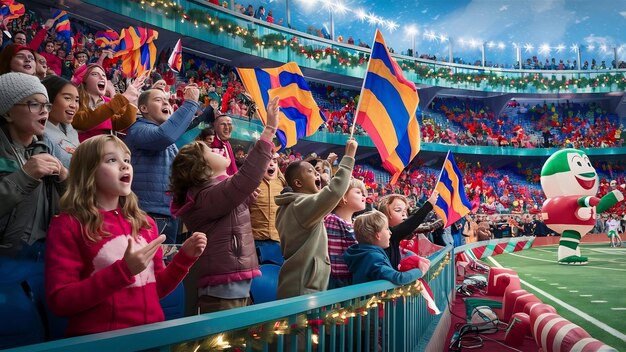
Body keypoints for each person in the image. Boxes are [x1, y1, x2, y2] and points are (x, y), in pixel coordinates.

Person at [45, 135, 207, 336]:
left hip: (151, 338)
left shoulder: (145, 224)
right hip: (102, 343)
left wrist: (184, 259)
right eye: (112, 160)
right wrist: (123, 271)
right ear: (88, 171)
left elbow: (156, 289)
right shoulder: (68, 225)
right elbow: (61, 301)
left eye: (127, 160)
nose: (124, 166)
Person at [170, 97, 279, 313]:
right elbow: (245, 178)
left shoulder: (214, 193)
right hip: (223, 284)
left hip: (233, 278)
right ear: (202, 169)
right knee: (222, 342)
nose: (216, 150)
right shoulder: (207, 196)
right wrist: (268, 131)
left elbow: (227, 212)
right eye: (209, 151)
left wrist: (245, 199)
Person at [274, 137, 358, 299]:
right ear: (298, 183)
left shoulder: (294, 206)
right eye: (310, 171)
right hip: (304, 289)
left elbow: (325, 199)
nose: (317, 173)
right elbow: (334, 193)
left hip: (301, 285)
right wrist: (349, 157)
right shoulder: (301, 206)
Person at [0, 73, 67, 259]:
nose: (44, 111)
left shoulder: (46, 147)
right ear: (7, 113)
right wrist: (24, 177)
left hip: (44, 255)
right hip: (7, 261)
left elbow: (73, 202)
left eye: (46, 105)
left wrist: (65, 179)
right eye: (34, 104)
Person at [124, 85, 200, 244]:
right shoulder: (138, 128)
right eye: (159, 100)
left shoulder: (166, 138)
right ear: (143, 108)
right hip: (146, 213)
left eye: (167, 100)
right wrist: (191, 104)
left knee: (163, 266)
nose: (166, 103)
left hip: (168, 213)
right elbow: (164, 136)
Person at [343, 209, 428, 285]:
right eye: (387, 229)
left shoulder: (362, 253)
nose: (390, 232)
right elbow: (398, 278)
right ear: (378, 235)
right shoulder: (373, 257)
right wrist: (420, 271)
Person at [71, 64, 142, 141]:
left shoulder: (106, 101)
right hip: (84, 150)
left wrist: (133, 102)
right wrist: (123, 98)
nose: (102, 78)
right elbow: (84, 121)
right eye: (94, 74)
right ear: (84, 80)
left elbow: (119, 124)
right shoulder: (74, 100)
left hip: (105, 149)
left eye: (104, 75)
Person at [376, 191, 439, 270]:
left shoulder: (397, 237)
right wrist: (429, 204)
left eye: (405, 211)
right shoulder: (390, 234)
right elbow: (410, 223)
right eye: (398, 210)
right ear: (384, 215)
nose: (403, 214)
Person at [324, 178, 367, 288]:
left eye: (364, 193)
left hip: (352, 279)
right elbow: (331, 258)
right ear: (343, 197)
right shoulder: (332, 220)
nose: (364, 196)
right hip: (339, 282)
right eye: (358, 192)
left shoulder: (353, 223)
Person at [41, 75, 80, 168]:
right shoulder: (42, 136)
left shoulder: (68, 127)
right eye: (67, 98)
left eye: (77, 100)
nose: (74, 105)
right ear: (48, 99)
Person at [250, 152, 286, 246]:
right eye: (267, 161)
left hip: (277, 239)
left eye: (275, 161)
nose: (271, 164)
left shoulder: (281, 183)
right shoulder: (250, 183)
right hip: (255, 239)